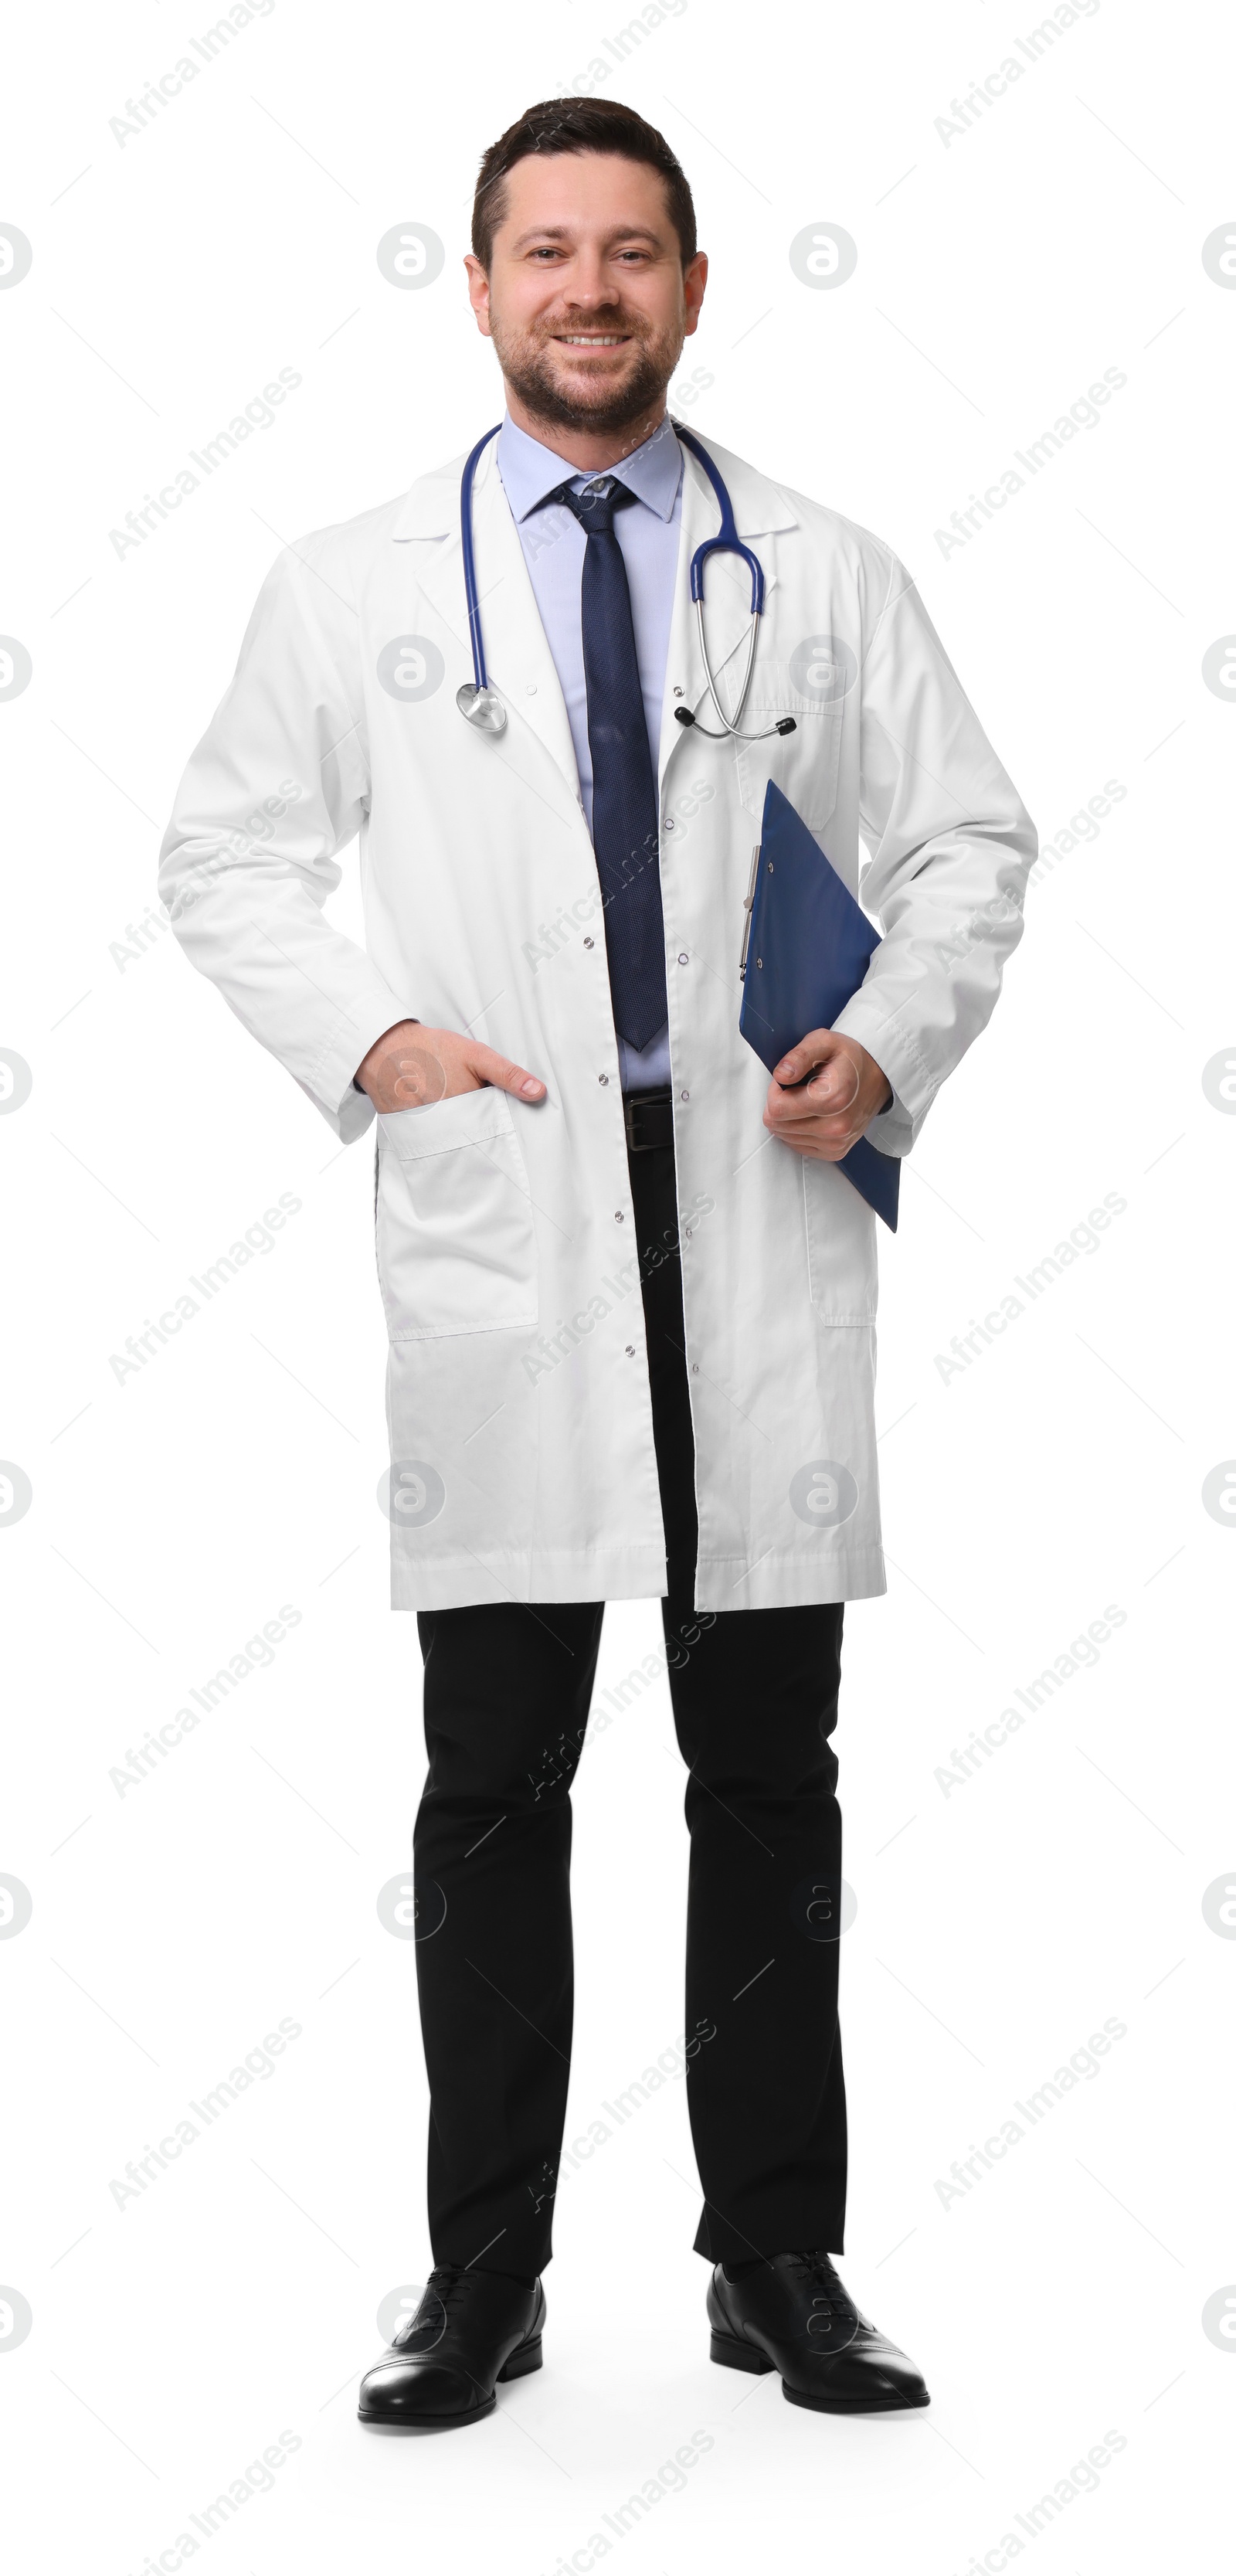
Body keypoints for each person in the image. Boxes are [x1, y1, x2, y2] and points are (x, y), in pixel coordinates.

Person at [159, 98, 1034, 2431]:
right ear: (476, 287)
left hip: (749, 1184)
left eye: (630, 251)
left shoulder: (820, 566)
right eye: (545, 252)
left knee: (768, 1772)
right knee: (492, 1779)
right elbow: (226, 856)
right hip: (510, 1207)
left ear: (692, 286)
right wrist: (375, 1042)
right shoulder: (358, 582)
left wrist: (884, 1031)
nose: (588, 291)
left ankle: (778, 2259)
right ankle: (482, 2276)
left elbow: (972, 838)